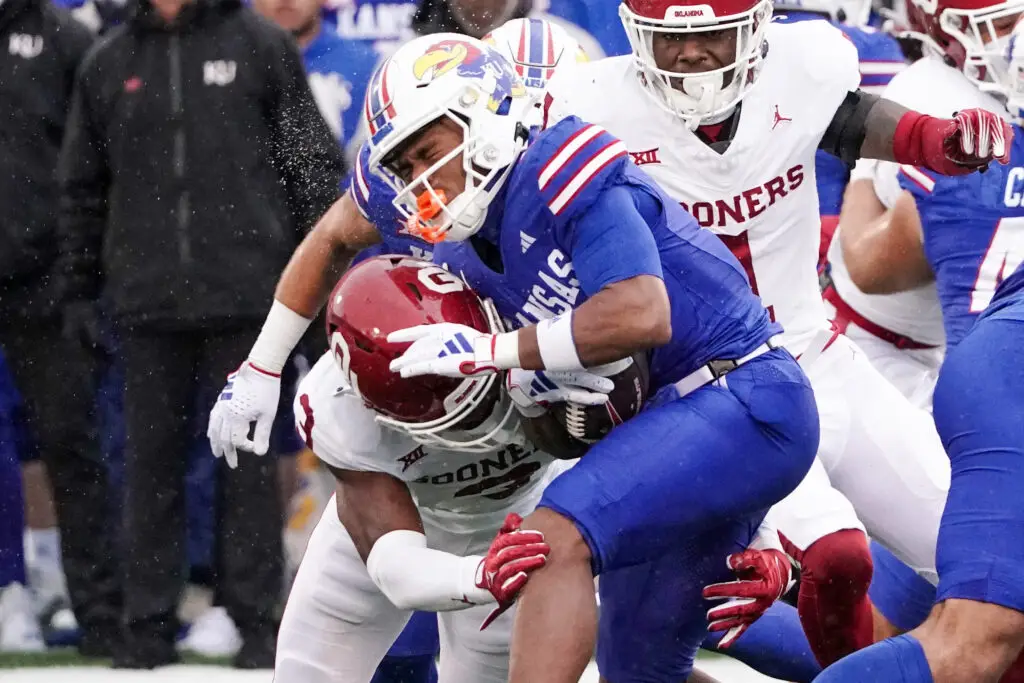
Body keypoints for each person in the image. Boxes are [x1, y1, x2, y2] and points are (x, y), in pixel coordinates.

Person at [541, 0, 1008, 672]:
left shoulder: (803, 66)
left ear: (758, 28)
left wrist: (936, 140)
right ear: (637, 36)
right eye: (673, 40)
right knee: (837, 556)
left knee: (986, 562)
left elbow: (854, 124)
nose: (693, 55)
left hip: (819, 354)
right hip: (718, 394)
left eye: (712, 34)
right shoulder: (594, 108)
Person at [358, 33, 821, 683]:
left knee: (556, 538)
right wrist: (535, 389)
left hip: (741, 392)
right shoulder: (468, 257)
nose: (420, 184)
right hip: (678, 422)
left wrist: (496, 350)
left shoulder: (558, 160)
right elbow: (565, 438)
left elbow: (641, 313)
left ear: (483, 113)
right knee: (638, 669)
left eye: (427, 154)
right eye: (404, 170)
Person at [57, 0, 343, 667]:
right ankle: (147, 622)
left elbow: (311, 165)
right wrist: (76, 291)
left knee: (246, 465)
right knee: (146, 466)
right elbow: (81, 188)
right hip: (145, 303)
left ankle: (255, 620)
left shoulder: (261, 45)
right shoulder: (108, 62)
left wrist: (318, 289)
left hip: (251, 300)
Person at [815, 2, 1024, 674]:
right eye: (1002, 20)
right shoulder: (938, 97)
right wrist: (866, 192)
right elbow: (874, 265)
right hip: (914, 358)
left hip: (962, 355)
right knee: (967, 635)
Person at [0, 0, 121, 657]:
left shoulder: (64, 38)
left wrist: (82, 271)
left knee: (73, 445)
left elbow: (95, 160)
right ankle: (9, 593)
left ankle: (100, 611)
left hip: (46, 277)